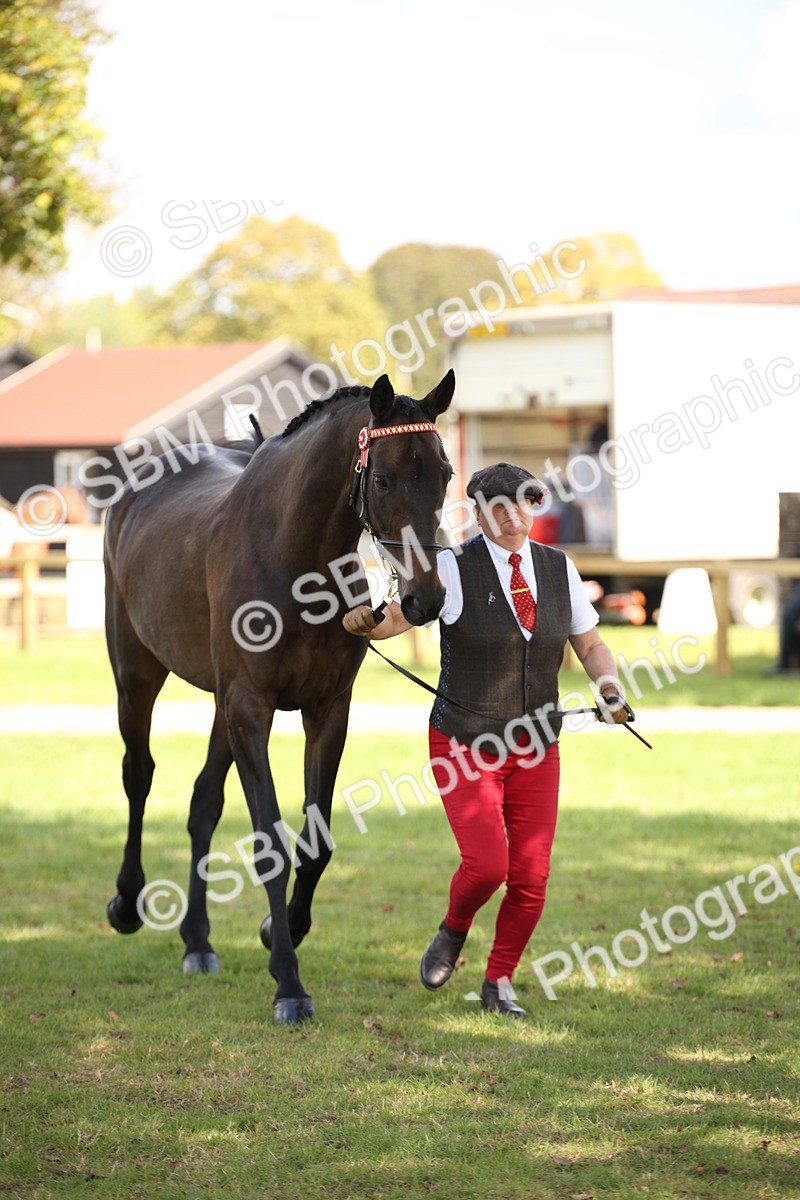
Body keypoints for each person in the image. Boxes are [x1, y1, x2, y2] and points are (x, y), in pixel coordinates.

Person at [343, 462, 630, 1018]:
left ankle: (499, 981)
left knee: (532, 878)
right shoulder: (451, 568)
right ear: (477, 512)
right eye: (497, 506)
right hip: (464, 743)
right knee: (487, 866)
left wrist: (611, 690)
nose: (511, 515)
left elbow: (591, 647)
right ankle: (453, 930)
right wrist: (363, 624)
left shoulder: (558, 569)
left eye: (522, 502)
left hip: (537, 745)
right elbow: (398, 617)